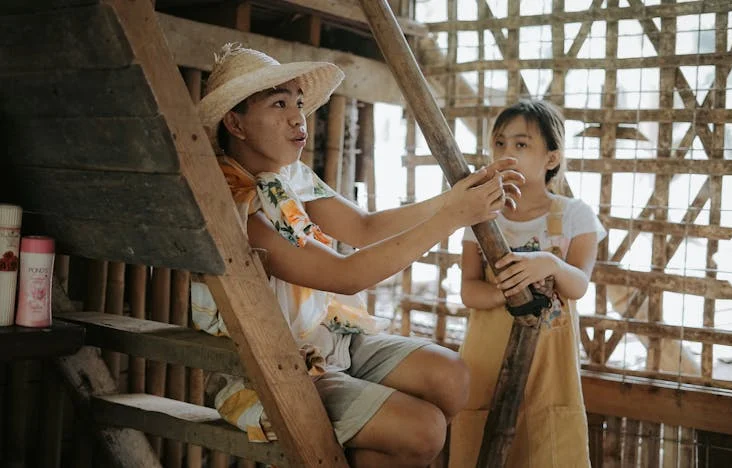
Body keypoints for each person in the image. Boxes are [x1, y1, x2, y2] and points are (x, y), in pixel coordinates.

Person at [191, 43, 524, 467]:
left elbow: (364, 228)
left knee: (452, 377)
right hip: (272, 368)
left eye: (297, 102)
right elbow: (346, 275)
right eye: (278, 104)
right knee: (424, 431)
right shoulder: (233, 204)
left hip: (326, 340)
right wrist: (453, 217)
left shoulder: (288, 177)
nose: (298, 117)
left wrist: (455, 199)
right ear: (235, 123)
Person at [451, 100, 606, 467]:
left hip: (549, 366)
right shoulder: (480, 217)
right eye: (500, 144)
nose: (507, 154)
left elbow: (578, 285)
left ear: (551, 158)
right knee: (481, 441)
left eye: (521, 145)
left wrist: (549, 263)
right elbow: (469, 291)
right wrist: (507, 291)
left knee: (548, 440)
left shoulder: (574, 215)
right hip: (486, 358)